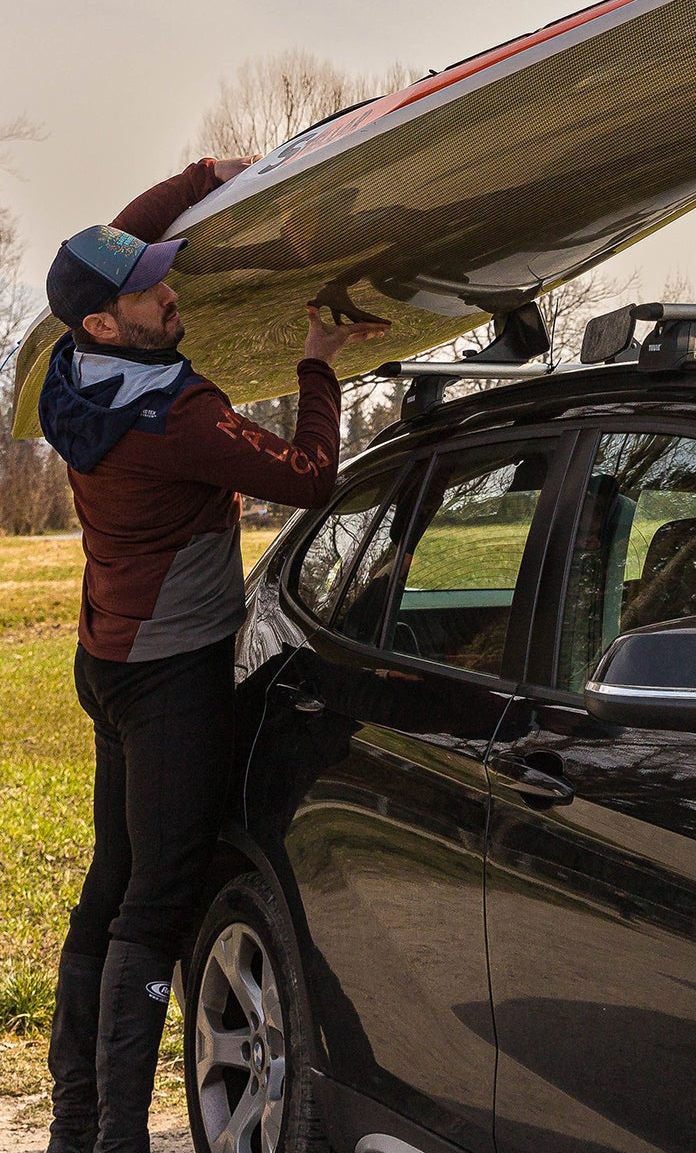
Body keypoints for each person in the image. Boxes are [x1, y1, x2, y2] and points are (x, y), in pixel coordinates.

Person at [36, 157, 389, 1153]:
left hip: (109, 659)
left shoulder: (74, 377)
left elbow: (114, 246)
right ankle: (114, 1140)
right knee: (156, 898)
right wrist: (318, 358)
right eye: (151, 291)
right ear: (108, 322)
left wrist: (211, 175)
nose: (170, 292)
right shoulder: (172, 420)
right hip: (170, 677)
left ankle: (74, 1125)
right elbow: (312, 473)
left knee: (112, 883)